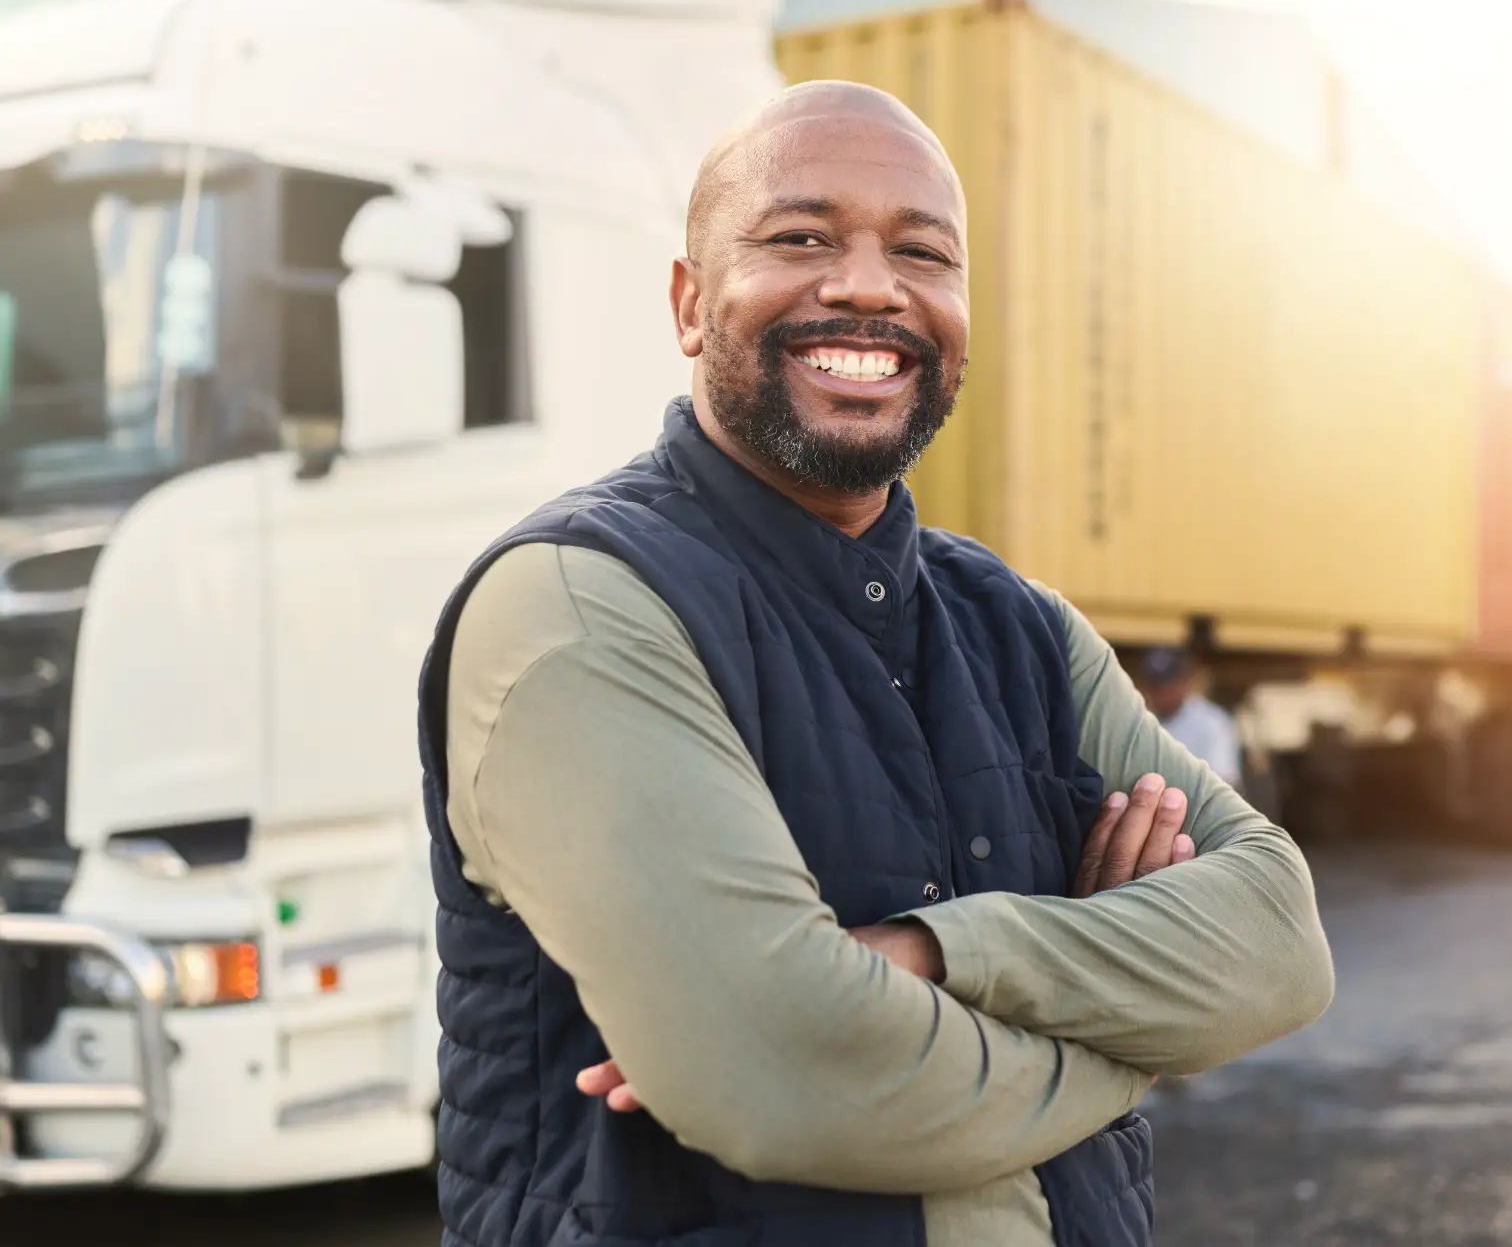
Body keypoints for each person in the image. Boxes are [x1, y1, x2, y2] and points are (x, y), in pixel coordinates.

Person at [414, 81, 1334, 1247]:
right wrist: (1135, 1034)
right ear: (690, 304)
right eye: (799, 237)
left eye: (922, 251)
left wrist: (931, 955)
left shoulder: (1021, 628)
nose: (865, 283)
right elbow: (780, 1068)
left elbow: (1279, 942)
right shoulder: (580, 602)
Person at [1137, 647, 1244, 789]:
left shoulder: (1212, 722)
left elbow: (1224, 783)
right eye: (1156, 687)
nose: (1162, 693)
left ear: (1184, 683)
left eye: (1169, 685)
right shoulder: (1143, 722)